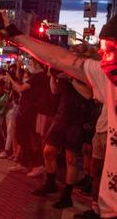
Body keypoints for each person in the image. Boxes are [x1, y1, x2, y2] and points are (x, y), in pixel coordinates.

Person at [0, 5, 117, 217]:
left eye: (111, 51)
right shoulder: (107, 79)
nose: (105, 59)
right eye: (103, 51)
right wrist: (12, 34)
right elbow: (59, 58)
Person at [31, 46, 95, 209]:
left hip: (78, 118)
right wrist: (54, 77)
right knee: (48, 151)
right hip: (62, 115)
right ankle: (50, 183)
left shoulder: (87, 72)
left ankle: (67, 196)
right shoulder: (66, 70)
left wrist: (71, 78)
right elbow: (55, 91)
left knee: (71, 158)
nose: (71, 57)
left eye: (75, 55)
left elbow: (89, 94)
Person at [4, 58, 48, 177]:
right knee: (21, 137)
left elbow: (20, 88)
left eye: (30, 63)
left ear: (36, 64)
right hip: (25, 110)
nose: (28, 65)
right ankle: (24, 163)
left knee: (30, 139)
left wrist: (10, 79)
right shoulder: (35, 76)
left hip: (30, 112)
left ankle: (38, 165)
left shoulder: (39, 77)